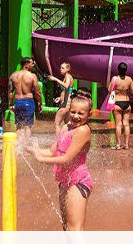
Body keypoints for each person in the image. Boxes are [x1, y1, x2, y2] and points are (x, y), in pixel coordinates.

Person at [26, 90, 94, 230]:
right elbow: (52, 151)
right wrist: (34, 151)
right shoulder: (65, 127)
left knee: (74, 229)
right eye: (73, 112)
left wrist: (40, 158)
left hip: (78, 182)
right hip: (65, 181)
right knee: (66, 227)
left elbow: (66, 159)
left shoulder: (83, 131)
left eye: (81, 113)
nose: (75, 116)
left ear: (89, 114)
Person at [9, 57, 42, 139]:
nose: (33, 65)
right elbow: (37, 92)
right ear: (26, 65)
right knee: (27, 126)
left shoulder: (13, 75)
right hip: (28, 102)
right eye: (32, 63)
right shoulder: (32, 76)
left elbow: (9, 92)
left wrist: (11, 104)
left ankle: (19, 146)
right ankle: (26, 146)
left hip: (18, 102)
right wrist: (40, 103)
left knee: (19, 126)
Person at [110, 62, 133, 150]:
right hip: (127, 103)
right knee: (126, 125)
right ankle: (126, 145)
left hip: (117, 103)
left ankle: (118, 145)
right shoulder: (129, 79)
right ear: (126, 70)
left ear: (118, 69)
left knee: (118, 125)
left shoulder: (115, 79)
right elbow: (132, 91)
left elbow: (110, 90)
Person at [47, 61, 74, 127]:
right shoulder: (67, 77)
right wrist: (60, 98)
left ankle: (58, 137)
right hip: (67, 104)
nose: (60, 70)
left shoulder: (68, 76)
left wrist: (55, 79)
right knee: (68, 125)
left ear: (68, 69)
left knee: (56, 124)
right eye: (60, 68)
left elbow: (66, 86)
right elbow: (68, 90)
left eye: (62, 68)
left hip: (65, 104)